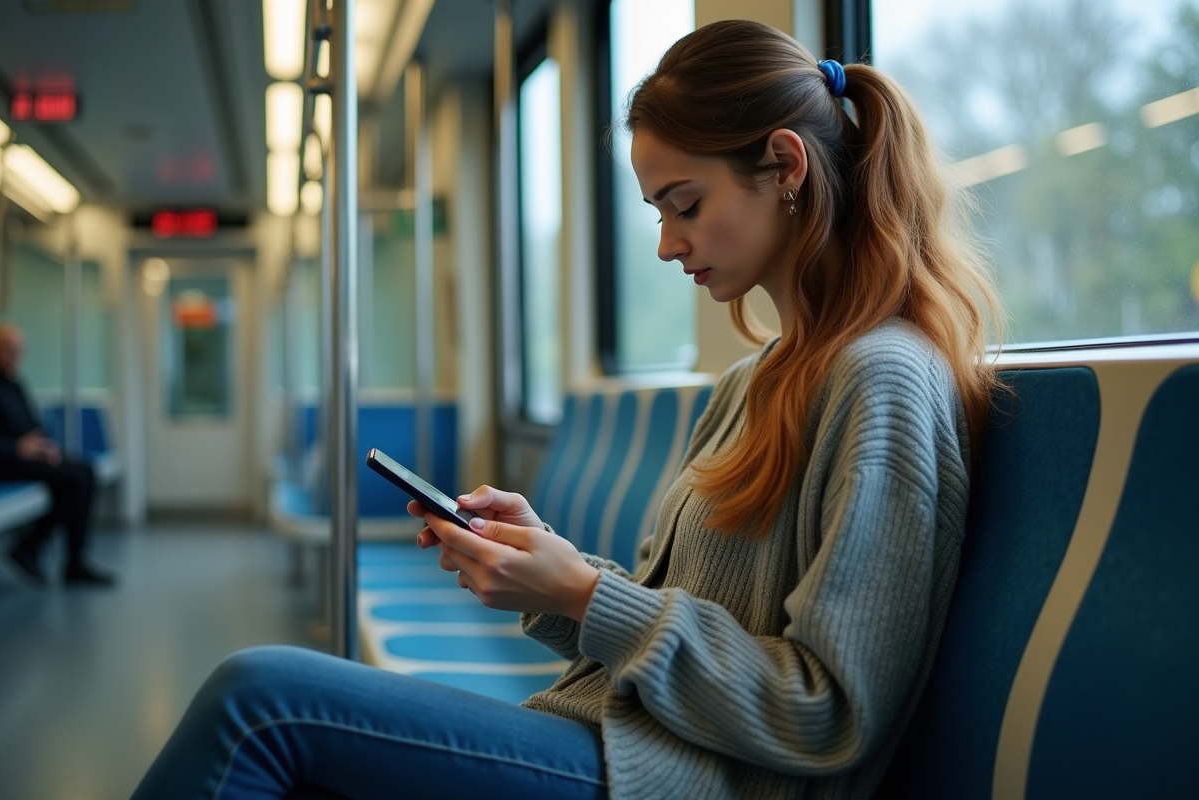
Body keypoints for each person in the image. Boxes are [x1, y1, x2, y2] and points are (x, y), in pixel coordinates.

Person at [130, 19, 1001, 800]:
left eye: (685, 206)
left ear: (784, 166)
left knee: (261, 706)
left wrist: (587, 595)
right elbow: (673, 622)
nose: (667, 245)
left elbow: (828, 714)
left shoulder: (883, 382)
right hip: (630, 742)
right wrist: (550, 577)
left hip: (690, 778)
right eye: (658, 214)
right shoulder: (756, 380)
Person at [0, 322, 114, 587]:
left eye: (18, 350)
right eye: (8, 349)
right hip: (6, 460)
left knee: (86, 472)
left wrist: (45, 446)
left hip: (26, 457)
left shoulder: (14, 382)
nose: (14, 356)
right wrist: (16, 447)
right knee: (74, 481)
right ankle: (31, 545)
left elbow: (31, 424)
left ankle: (73, 558)